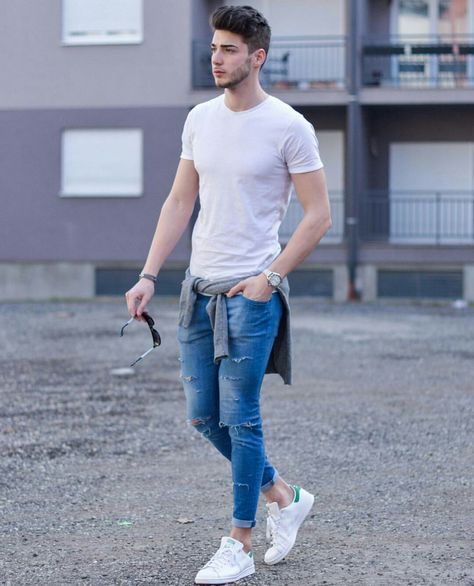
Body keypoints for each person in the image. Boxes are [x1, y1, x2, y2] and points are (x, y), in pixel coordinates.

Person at [125, 4, 332, 584]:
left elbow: (318, 217)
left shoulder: (290, 126)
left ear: (257, 57)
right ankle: (285, 496)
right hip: (199, 289)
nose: (216, 57)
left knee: (241, 419)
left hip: (250, 294)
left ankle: (239, 542)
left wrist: (271, 278)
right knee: (202, 418)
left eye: (229, 49)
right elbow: (178, 202)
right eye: (214, 47)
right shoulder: (199, 119)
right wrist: (149, 274)